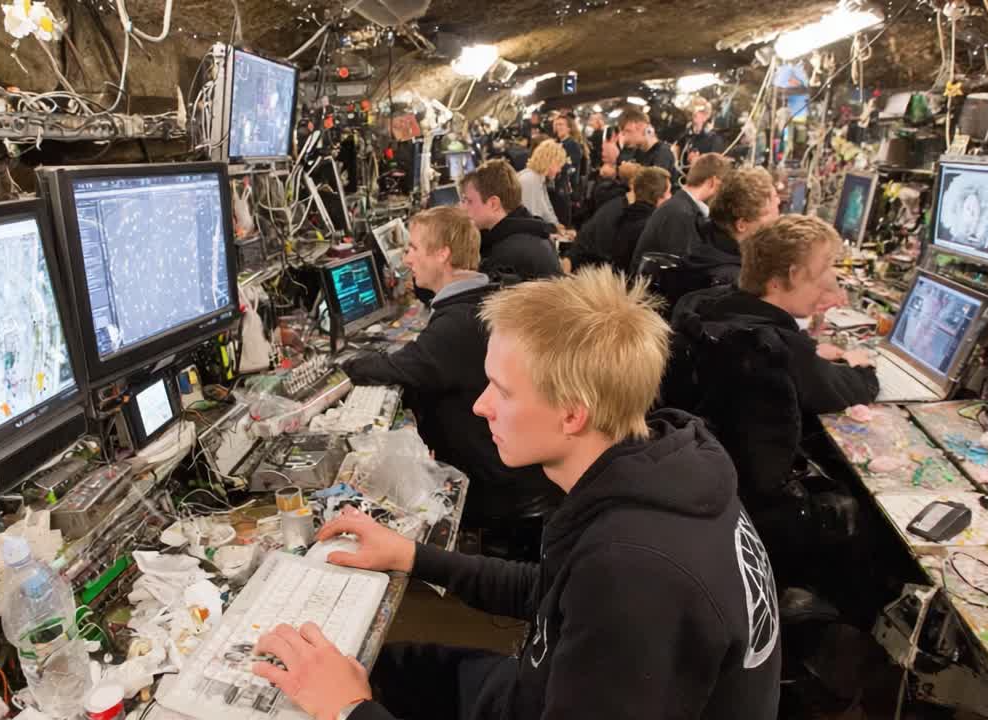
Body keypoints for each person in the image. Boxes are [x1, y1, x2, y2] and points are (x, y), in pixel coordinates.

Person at [253, 267, 782, 720]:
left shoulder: (637, 572)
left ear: (573, 412)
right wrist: (412, 555)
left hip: (547, 696)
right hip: (536, 689)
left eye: (501, 391)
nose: (481, 406)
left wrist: (350, 710)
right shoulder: (662, 467)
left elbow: (601, 595)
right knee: (370, 663)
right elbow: (555, 592)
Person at [663, 215, 878, 568]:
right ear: (793, 275)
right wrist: (862, 365)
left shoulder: (709, 306)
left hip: (704, 488)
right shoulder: (773, 347)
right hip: (757, 513)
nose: (829, 280)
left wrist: (812, 353)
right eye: (825, 267)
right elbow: (851, 389)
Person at [343, 207, 560, 532]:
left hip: (495, 489)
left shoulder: (457, 324)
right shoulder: (484, 294)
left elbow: (400, 367)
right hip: (515, 473)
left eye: (413, 248)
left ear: (443, 253)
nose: (406, 260)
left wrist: (344, 364)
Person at [459, 159, 562, 280]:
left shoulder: (506, 255)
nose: (462, 207)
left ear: (493, 204)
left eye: (468, 201)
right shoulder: (529, 231)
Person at [630, 152, 731, 272]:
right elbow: (683, 270)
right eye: (724, 186)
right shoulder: (680, 213)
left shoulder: (681, 206)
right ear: (713, 182)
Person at [685, 166, 779, 291]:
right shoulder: (733, 280)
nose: (778, 202)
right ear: (741, 225)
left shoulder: (700, 241)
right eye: (768, 213)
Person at [610, 167, 670, 274]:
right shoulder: (651, 226)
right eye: (669, 192)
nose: (671, 197)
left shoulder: (624, 217)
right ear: (658, 196)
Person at [616, 107, 679, 186]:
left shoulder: (663, 153)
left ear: (640, 126)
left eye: (628, 131)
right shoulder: (637, 152)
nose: (625, 137)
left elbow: (655, 188)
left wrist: (633, 172)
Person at [517, 139, 567, 228]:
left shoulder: (537, 178)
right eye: (559, 165)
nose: (559, 170)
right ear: (550, 161)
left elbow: (546, 208)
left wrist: (556, 226)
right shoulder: (530, 180)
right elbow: (531, 218)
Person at [680, 97, 723, 170]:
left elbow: (715, 166)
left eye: (699, 111)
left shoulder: (714, 138)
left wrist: (698, 162)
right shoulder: (687, 135)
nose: (695, 113)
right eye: (693, 111)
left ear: (706, 115)